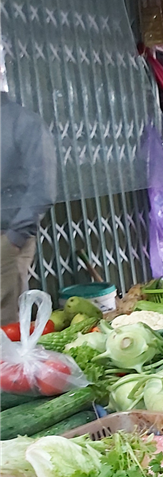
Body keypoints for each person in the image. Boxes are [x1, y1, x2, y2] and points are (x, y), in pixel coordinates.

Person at [0, 36, 57, 324]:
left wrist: (13, 239)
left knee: (4, 324)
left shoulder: (24, 123)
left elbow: (42, 188)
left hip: (7, 238)